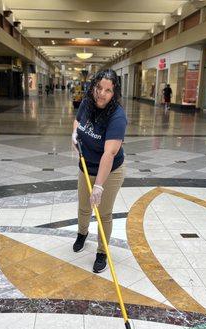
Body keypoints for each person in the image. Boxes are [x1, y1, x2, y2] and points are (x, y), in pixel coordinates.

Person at [71, 69, 126, 273]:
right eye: (99, 88)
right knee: (84, 207)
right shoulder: (86, 102)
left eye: (108, 90)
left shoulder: (117, 117)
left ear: (114, 93)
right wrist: (74, 134)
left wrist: (99, 186)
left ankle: (102, 252)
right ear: (93, 86)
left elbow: (109, 154)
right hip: (86, 165)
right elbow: (78, 121)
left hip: (110, 172)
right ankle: (82, 234)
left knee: (103, 213)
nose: (101, 94)